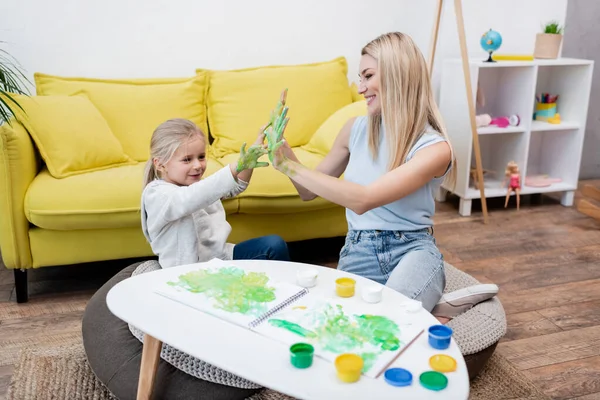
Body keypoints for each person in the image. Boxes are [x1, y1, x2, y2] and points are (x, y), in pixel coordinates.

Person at [271, 32, 497, 321]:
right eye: (360, 78)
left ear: (396, 75)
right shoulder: (353, 129)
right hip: (358, 249)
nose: (361, 88)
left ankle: (425, 302)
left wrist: (291, 167)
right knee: (341, 326)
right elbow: (307, 192)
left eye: (368, 76)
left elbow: (364, 200)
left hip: (412, 250)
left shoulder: (435, 148)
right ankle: (435, 307)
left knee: (386, 324)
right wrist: (284, 154)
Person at [141, 118, 290, 268]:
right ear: (160, 164)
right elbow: (189, 199)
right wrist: (236, 166)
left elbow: (234, 187)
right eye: (187, 160)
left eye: (201, 157)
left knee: (273, 245)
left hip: (222, 259)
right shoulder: (157, 194)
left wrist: (250, 160)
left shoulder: (197, 184)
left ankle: (287, 289)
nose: (198, 165)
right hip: (188, 272)